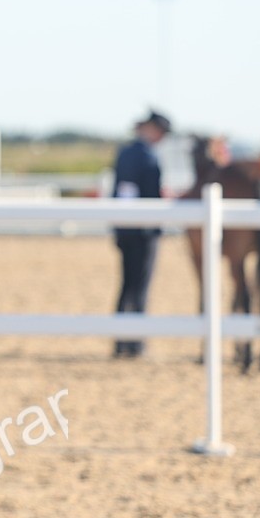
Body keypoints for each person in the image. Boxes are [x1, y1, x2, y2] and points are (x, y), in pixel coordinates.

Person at [112, 110, 171, 358]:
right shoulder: (147, 157)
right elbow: (151, 195)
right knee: (140, 286)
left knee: (126, 285)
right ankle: (136, 343)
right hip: (144, 231)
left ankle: (120, 341)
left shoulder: (125, 153)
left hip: (124, 228)